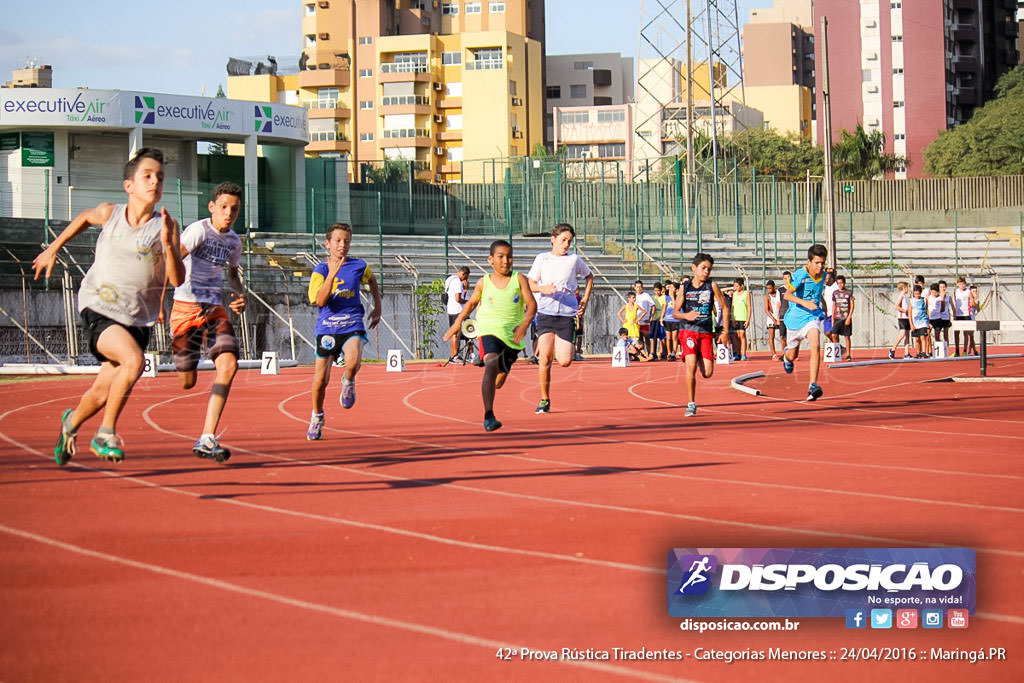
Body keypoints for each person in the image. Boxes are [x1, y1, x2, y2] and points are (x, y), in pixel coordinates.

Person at [33, 148, 185, 464]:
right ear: (128, 185)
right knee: (133, 363)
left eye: (159, 177)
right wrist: (53, 249)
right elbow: (85, 217)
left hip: (136, 319)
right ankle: (105, 433)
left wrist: (170, 246)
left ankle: (70, 424)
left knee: (103, 392)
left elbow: (177, 278)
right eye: (147, 176)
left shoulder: (167, 226)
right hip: (99, 307)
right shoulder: (110, 214)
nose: (154, 181)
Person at [169, 181, 246, 463]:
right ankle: (184, 361)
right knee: (187, 381)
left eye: (234, 210)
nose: (228, 214)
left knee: (229, 365)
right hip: (185, 308)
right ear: (211, 207)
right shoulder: (198, 231)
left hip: (214, 309)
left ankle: (207, 436)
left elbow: (233, 274)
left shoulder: (234, 242)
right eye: (223, 207)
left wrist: (240, 295)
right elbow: (173, 259)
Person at [443, 240, 536, 431]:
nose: (505, 261)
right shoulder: (483, 282)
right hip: (488, 330)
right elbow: (470, 304)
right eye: (500, 256)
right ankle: (489, 415)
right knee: (491, 363)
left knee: (499, 380)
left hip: (511, 336)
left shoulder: (519, 279)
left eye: (509, 256)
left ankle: (495, 383)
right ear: (491, 259)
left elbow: (532, 304)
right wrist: (457, 324)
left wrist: (524, 325)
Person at [306, 223, 382, 440]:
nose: (342, 245)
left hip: (352, 323)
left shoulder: (359, 266)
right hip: (328, 327)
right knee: (321, 380)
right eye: (338, 241)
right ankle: (317, 416)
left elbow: (373, 281)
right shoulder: (320, 270)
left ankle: (348, 381)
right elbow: (319, 300)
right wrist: (332, 274)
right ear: (328, 244)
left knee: (354, 360)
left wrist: (378, 306)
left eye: (346, 241)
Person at [527, 223, 593, 414]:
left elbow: (589, 276)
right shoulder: (542, 259)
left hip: (566, 314)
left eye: (569, 241)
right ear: (553, 239)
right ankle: (544, 399)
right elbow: (530, 283)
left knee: (564, 361)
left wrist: (585, 300)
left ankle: (559, 344)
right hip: (546, 313)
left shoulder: (573, 260)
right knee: (545, 359)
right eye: (563, 240)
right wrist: (542, 289)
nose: (566, 245)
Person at [672, 253, 730, 417]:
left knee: (708, 373)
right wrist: (686, 316)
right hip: (688, 330)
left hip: (706, 332)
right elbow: (675, 313)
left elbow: (725, 308)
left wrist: (725, 331)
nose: (706, 272)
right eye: (703, 268)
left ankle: (696, 354)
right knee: (690, 366)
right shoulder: (685, 287)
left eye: (709, 269)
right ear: (694, 268)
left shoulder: (712, 286)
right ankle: (691, 404)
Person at [781, 244, 828, 402]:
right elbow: (787, 295)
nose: (820, 266)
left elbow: (817, 294)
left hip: (812, 317)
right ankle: (787, 357)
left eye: (823, 263)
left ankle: (812, 385)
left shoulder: (823, 275)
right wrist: (805, 303)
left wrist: (821, 309)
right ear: (809, 262)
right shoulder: (801, 274)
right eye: (817, 263)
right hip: (795, 319)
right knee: (793, 354)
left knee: (815, 345)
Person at [444, 266, 470, 361]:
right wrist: (467, 301)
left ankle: (453, 355)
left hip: (451, 309)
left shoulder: (450, 279)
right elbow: (458, 298)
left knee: (454, 333)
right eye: (466, 277)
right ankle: (455, 355)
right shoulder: (457, 282)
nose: (465, 280)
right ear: (463, 274)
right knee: (456, 334)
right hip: (457, 310)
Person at [831, 275, 855, 361]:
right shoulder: (835, 293)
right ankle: (839, 349)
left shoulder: (849, 292)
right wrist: (832, 318)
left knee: (847, 336)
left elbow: (852, 305)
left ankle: (848, 354)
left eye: (841, 283)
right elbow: (834, 305)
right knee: (833, 335)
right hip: (837, 317)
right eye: (838, 283)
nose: (840, 285)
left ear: (844, 283)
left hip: (845, 317)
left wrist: (849, 317)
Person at [888, 281, 912, 360]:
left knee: (907, 336)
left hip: (907, 318)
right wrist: (904, 310)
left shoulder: (905, 297)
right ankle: (892, 349)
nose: (908, 289)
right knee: (902, 334)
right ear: (904, 288)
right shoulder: (901, 295)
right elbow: (896, 306)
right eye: (907, 287)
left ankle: (906, 353)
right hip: (902, 318)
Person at [729, 277, 751, 360]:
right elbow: (732, 306)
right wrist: (732, 318)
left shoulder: (746, 293)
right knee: (736, 336)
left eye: (737, 286)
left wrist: (748, 319)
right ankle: (737, 353)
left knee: (742, 335)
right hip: (735, 317)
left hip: (743, 317)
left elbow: (749, 307)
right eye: (734, 286)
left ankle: (743, 354)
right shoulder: (734, 294)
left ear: (742, 286)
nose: (736, 288)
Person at [633, 280, 655, 356]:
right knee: (639, 339)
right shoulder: (633, 297)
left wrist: (651, 316)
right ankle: (643, 354)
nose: (639, 288)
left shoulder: (646, 295)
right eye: (637, 287)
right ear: (634, 287)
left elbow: (653, 306)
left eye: (640, 287)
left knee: (647, 338)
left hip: (645, 321)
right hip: (636, 322)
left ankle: (650, 354)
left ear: (642, 287)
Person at [952, 276, 973, 357]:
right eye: (960, 284)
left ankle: (965, 350)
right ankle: (957, 350)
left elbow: (972, 301)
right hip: (958, 314)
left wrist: (972, 303)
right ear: (958, 284)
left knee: (966, 333)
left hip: (966, 314)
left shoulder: (968, 291)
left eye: (963, 284)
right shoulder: (956, 291)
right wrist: (954, 314)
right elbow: (954, 302)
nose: (962, 286)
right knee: (956, 333)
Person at [909, 284, 931, 358]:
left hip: (923, 321)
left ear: (921, 292)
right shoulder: (911, 301)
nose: (917, 295)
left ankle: (924, 352)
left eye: (918, 293)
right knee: (917, 339)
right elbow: (909, 313)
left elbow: (927, 310)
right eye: (915, 294)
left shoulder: (924, 300)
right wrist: (911, 324)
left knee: (923, 337)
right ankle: (918, 353)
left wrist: (929, 321)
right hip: (915, 322)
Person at [764, 279, 782, 360]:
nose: (769, 290)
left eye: (770, 288)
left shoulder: (779, 294)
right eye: (767, 288)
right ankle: (773, 354)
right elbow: (766, 310)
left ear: (774, 287)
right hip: (771, 318)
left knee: (783, 335)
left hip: (780, 316)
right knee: (772, 336)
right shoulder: (767, 296)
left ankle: (785, 352)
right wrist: (773, 319)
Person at [662, 281, 679, 361]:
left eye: (672, 288)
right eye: (670, 287)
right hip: (667, 319)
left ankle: (674, 353)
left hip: (675, 320)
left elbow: (676, 307)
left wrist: (673, 297)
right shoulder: (666, 297)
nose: (671, 289)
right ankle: (669, 353)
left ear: (676, 289)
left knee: (674, 337)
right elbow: (664, 307)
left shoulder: (678, 297)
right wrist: (662, 317)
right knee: (668, 338)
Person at [650, 281, 667, 360]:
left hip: (661, 319)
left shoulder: (663, 297)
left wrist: (661, 317)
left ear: (661, 290)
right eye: (655, 290)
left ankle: (663, 353)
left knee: (662, 337)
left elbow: (664, 307)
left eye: (658, 290)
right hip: (654, 319)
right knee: (653, 337)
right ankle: (653, 353)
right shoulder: (652, 298)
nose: (657, 292)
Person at [822, 268, 838, 341]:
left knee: (834, 333)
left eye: (826, 279)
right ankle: (839, 347)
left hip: (834, 313)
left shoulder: (836, 287)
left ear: (831, 278)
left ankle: (837, 348)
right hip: (827, 313)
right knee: (827, 332)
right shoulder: (825, 287)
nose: (825, 280)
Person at [966, 285, 980, 355]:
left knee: (971, 336)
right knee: (969, 336)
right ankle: (970, 351)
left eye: (976, 291)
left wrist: (977, 304)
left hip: (973, 318)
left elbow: (978, 310)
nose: (975, 293)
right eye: (973, 291)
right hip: (967, 318)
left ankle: (973, 350)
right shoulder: (967, 299)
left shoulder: (977, 299)